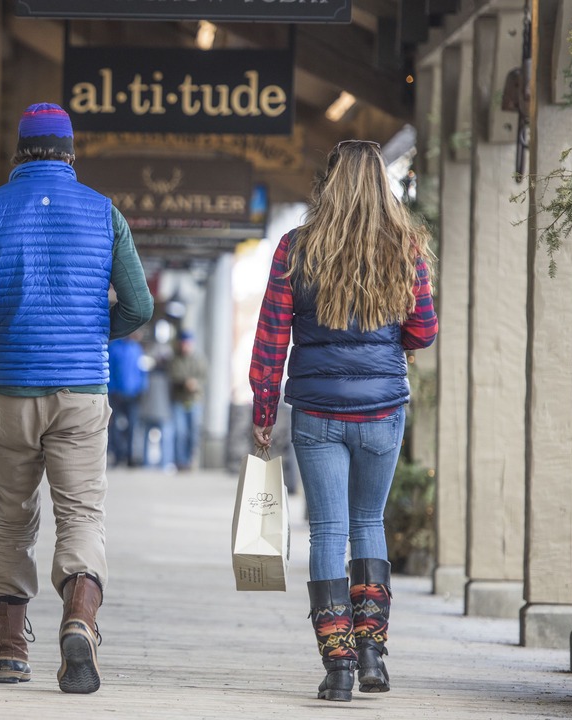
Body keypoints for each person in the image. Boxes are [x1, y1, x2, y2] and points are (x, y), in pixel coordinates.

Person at [0, 102, 153, 694]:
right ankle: (79, 619)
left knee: (12, 515)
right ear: (70, 155)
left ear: (19, 153)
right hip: (81, 393)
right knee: (81, 515)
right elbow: (139, 306)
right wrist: (88, 331)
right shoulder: (105, 213)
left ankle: (7, 648)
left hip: (9, 393)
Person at [249, 140, 438, 703]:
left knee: (329, 531)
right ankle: (372, 653)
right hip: (381, 410)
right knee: (368, 522)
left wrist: (264, 412)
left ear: (327, 184)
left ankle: (338, 667)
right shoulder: (405, 247)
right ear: (382, 184)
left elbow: (271, 338)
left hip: (317, 412)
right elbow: (423, 331)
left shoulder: (296, 248)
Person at [168, 329, 208, 471]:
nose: (185, 346)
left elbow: (204, 377)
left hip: (194, 400)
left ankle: (191, 460)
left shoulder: (199, 359)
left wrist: (195, 384)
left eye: (187, 344)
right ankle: (181, 462)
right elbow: (173, 376)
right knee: (180, 432)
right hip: (179, 400)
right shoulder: (175, 359)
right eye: (183, 344)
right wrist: (185, 382)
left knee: (193, 432)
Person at [106, 331, 147, 467]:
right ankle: (118, 454)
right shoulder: (114, 348)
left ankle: (130, 455)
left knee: (132, 426)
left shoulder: (137, 349)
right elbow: (109, 370)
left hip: (133, 395)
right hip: (116, 394)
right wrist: (111, 389)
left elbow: (142, 371)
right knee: (115, 426)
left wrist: (142, 388)